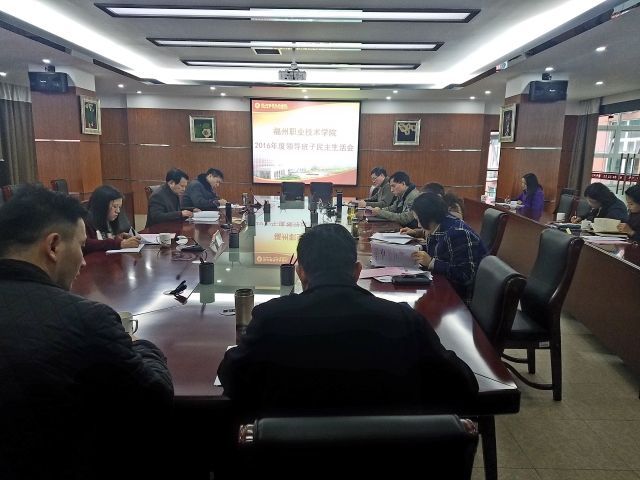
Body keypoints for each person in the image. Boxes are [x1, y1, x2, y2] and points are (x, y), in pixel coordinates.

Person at [0, 186, 174, 479]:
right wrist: (137, 342)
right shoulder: (87, 320)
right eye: (81, 247)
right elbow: (156, 397)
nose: (83, 260)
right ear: (53, 246)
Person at [217, 223, 478, 417]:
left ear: (300, 273)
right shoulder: (404, 321)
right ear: (357, 271)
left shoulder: (270, 319)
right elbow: (463, 385)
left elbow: (232, 379)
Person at [411, 193, 488, 306]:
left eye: (419, 220)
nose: (418, 225)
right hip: (444, 286)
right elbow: (441, 248)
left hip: (459, 299)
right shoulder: (441, 223)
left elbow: (466, 276)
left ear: (429, 217)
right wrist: (420, 248)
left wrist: (432, 263)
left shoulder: (459, 234)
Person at [83, 184, 141, 255]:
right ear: (101, 206)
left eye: (119, 207)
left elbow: (102, 243)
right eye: (114, 206)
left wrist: (116, 238)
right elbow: (86, 244)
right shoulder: (84, 222)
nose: (118, 211)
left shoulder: (108, 220)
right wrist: (119, 244)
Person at [400, 190, 465, 238]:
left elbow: (439, 233)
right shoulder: (439, 220)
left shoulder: (455, 232)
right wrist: (415, 232)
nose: (419, 225)